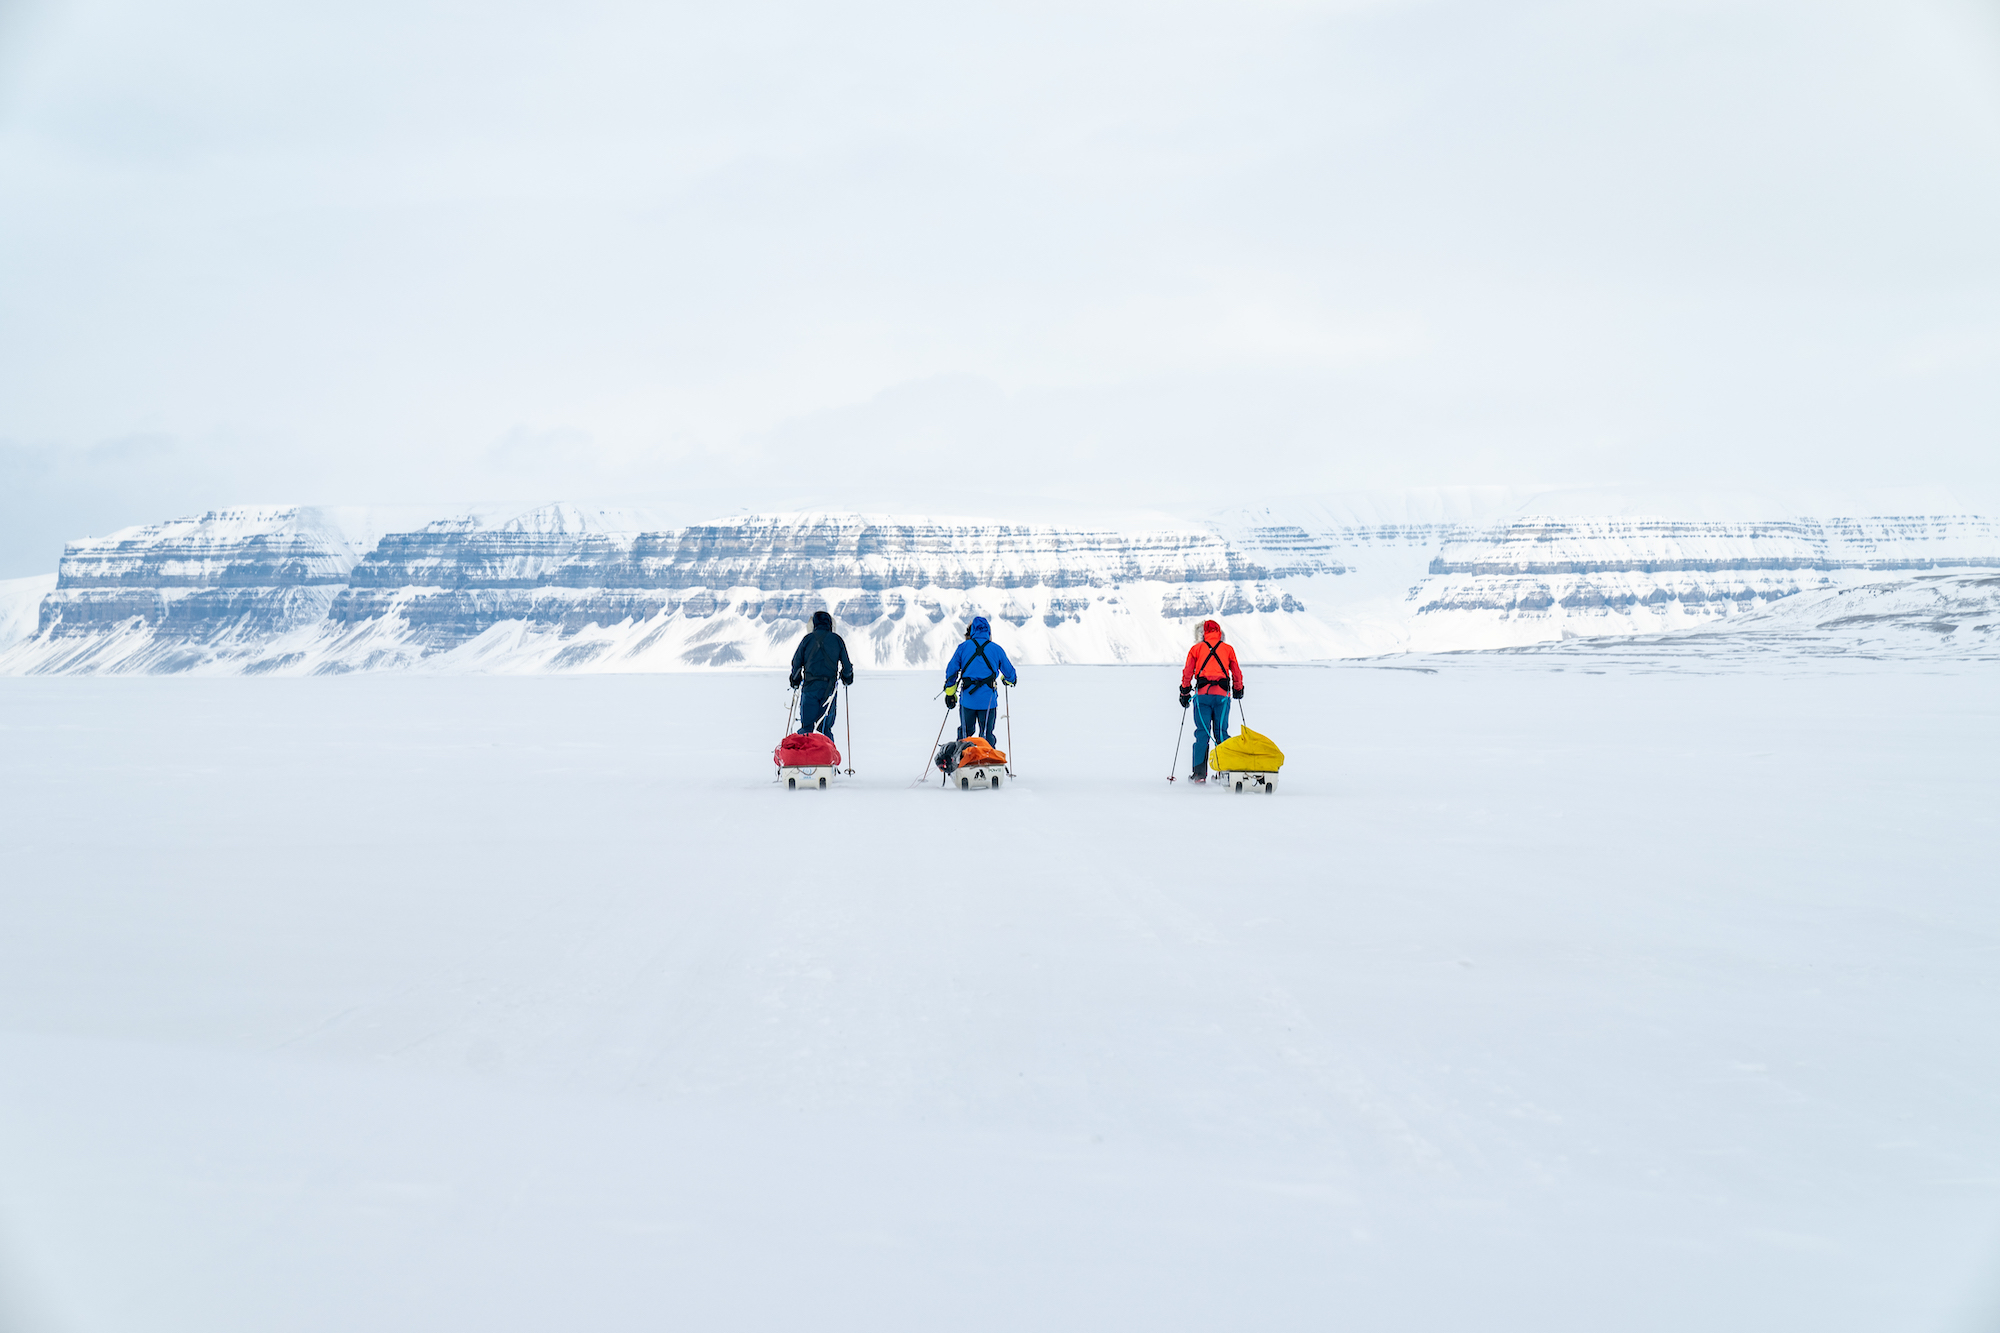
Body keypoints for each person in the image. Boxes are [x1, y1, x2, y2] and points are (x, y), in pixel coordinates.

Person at [1179, 618, 1244, 783]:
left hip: (1202, 697)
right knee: (1221, 732)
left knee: (1203, 733)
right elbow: (1236, 671)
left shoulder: (1196, 649)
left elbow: (1187, 672)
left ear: (1203, 633)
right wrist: (1238, 689)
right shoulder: (1228, 649)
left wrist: (1184, 692)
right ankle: (1224, 773)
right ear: (1219, 633)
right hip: (1222, 697)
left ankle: (1199, 775)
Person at [943, 615, 1017, 743]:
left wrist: (950, 694)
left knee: (965, 734)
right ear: (988, 631)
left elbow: (951, 671)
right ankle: (988, 758)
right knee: (986, 735)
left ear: (972, 631)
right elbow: (1011, 674)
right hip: (988, 701)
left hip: (967, 701)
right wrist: (1007, 679)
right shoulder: (996, 649)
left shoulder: (963, 647)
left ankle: (962, 757)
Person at [789, 609, 853, 737]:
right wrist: (847, 678)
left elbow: (796, 663)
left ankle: (804, 754)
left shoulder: (807, 639)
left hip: (809, 689)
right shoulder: (837, 640)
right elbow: (847, 666)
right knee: (824, 729)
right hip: (829, 691)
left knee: (807, 727)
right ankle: (827, 755)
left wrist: (795, 680)